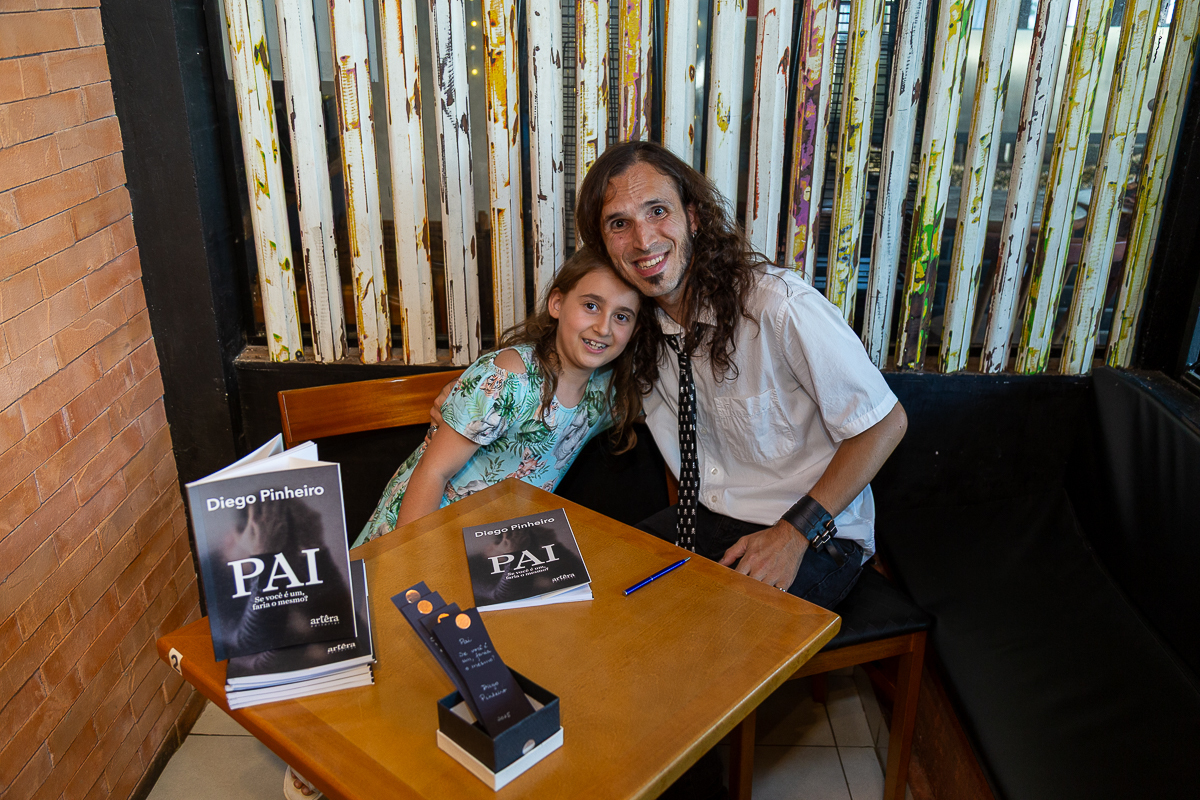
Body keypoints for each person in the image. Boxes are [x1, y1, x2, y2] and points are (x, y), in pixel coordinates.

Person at [573, 139, 907, 611]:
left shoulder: (777, 307)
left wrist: (793, 535)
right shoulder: (634, 326)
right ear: (604, 244)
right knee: (595, 597)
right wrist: (481, 393)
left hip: (811, 531)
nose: (643, 240)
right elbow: (564, 353)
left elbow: (885, 424)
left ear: (693, 216)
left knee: (706, 651)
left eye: (657, 211)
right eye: (619, 224)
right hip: (706, 519)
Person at [352, 247, 658, 547]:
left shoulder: (605, 393)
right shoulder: (511, 377)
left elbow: (664, 408)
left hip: (491, 548)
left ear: (634, 329)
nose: (603, 327)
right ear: (557, 303)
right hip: (416, 532)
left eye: (621, 316)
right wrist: (411, 565)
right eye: (591, 306)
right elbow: (434, 471)